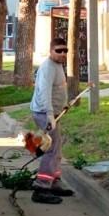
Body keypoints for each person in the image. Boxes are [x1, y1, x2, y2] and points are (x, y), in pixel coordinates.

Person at [29, 37, 75, 204]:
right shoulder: (48, 68)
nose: (62, 53)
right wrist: (49, 115)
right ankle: (41, 188)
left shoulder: (58, 66)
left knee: (57, 150)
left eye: (65, 50)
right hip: (44, 114)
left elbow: (58, 90)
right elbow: (44, 92)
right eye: (59, 50)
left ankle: (53, 182)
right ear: (51, 51)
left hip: (53, 113)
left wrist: (63, 106)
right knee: (51, 151)